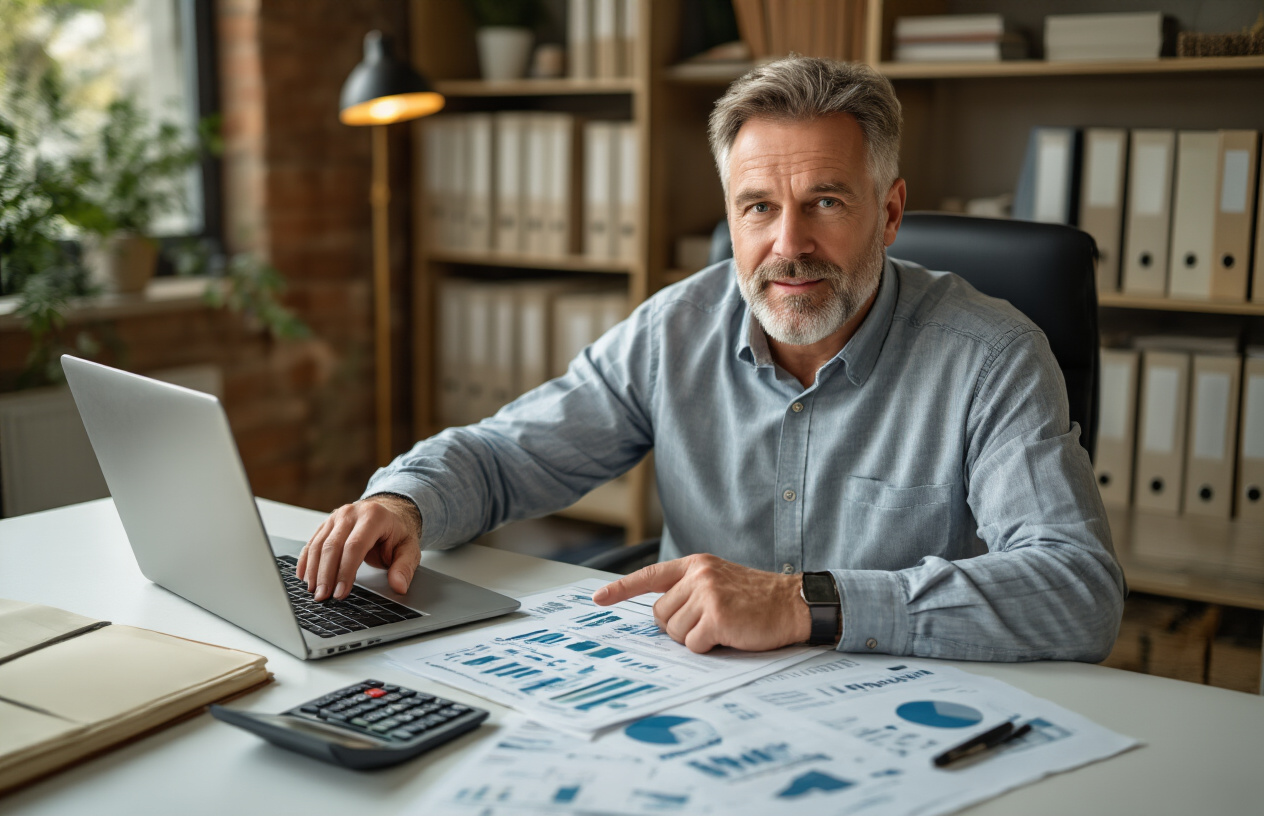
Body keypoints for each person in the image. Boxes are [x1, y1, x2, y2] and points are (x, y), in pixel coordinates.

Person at [296, 56, 1125, 662]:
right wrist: (406, 500)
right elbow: (512, 454)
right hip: (697, 704)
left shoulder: (992, 357)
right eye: (758, 207)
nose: (788, 245)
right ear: (729, 216)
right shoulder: (674, 330)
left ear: (891, 211)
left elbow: (1077, 590)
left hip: (911, 722)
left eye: (826, 203)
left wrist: (808, 603)